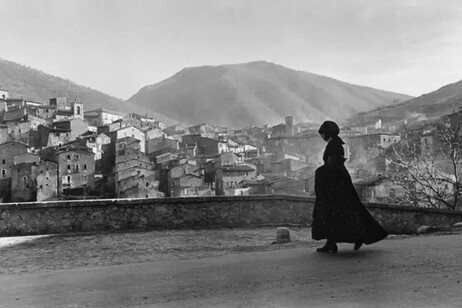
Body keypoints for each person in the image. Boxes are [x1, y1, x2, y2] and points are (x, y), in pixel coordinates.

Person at [312, 120, 388, 253]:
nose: (322, 137)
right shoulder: (336, 143)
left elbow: (333, 165)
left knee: (339, 212)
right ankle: (332, 242)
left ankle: (355, 237)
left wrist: (321, 172)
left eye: (322, 134)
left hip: (335, 184)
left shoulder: (334, 145)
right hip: (338, 182)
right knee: (340, 212)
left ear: (326, 133)